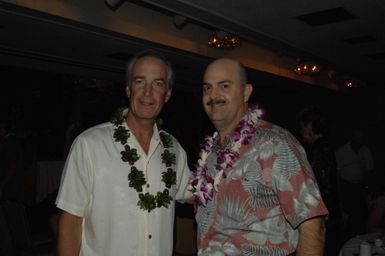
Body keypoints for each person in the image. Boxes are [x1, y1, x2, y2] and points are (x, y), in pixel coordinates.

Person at [56, 50, 192, 256]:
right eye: (140, 81)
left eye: (158, 83)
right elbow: (71, 220)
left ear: (168, 93)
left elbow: (196, 195)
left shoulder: (174, 149)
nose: (148, 92)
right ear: (128, 89)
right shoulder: (89, 144)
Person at [189, 58, 328, 256]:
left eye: (224, 86)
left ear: (246, 92)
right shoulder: (211, 152)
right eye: (207, 88)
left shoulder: (275, 144)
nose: (213, 95)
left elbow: (313, 224)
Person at [298, 107, 342, 255]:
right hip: (330, 214)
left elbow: (321, 187)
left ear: (310, 126)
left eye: (303, 126)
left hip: (323, 216)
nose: (301, 131)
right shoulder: (326, 147)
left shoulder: (318, 151)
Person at [335, 128, 373, 238]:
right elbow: (337, 174)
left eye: (362, 138)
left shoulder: (366, 150)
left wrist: (367, 188)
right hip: (347, 187)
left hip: (361, 187)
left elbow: (369, 171)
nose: (360, 140)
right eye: (358, 138)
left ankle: (362, 238)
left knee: (362, 216)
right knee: (349, 216)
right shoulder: (341, 152)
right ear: (352, 138)